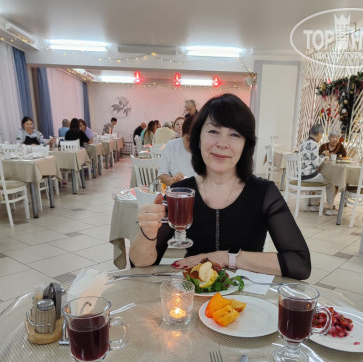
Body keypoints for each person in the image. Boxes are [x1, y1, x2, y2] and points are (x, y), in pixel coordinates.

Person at [129, 93, 311, 280]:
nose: (222, 144)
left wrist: (226, 258)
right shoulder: (181, 192)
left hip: (247, 294)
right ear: (198, 139)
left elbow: (300, 264)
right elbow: (139, 264)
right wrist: (147, 233)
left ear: (246, 145)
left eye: (235, 134)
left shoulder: (264, 192)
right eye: (213, 131)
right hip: (194, 291)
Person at [298, 124, 337, 216]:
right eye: (322, 135)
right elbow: (316, 164)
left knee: (321, 179)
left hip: (301, 175)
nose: (321, 137)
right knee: (331, 182)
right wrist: (323, 155)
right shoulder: (314, 144)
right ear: (319, 133)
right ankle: (330, 209)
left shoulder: (303, 143)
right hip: (309, 176)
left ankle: (315, 206)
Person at [157, 115, 196, 186]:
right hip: (177, 189)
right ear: (183, 134)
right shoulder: (171, 145)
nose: (193, 144)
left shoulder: (208, 150)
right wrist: (173, 180)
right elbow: (161, 176)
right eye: (189, 140)